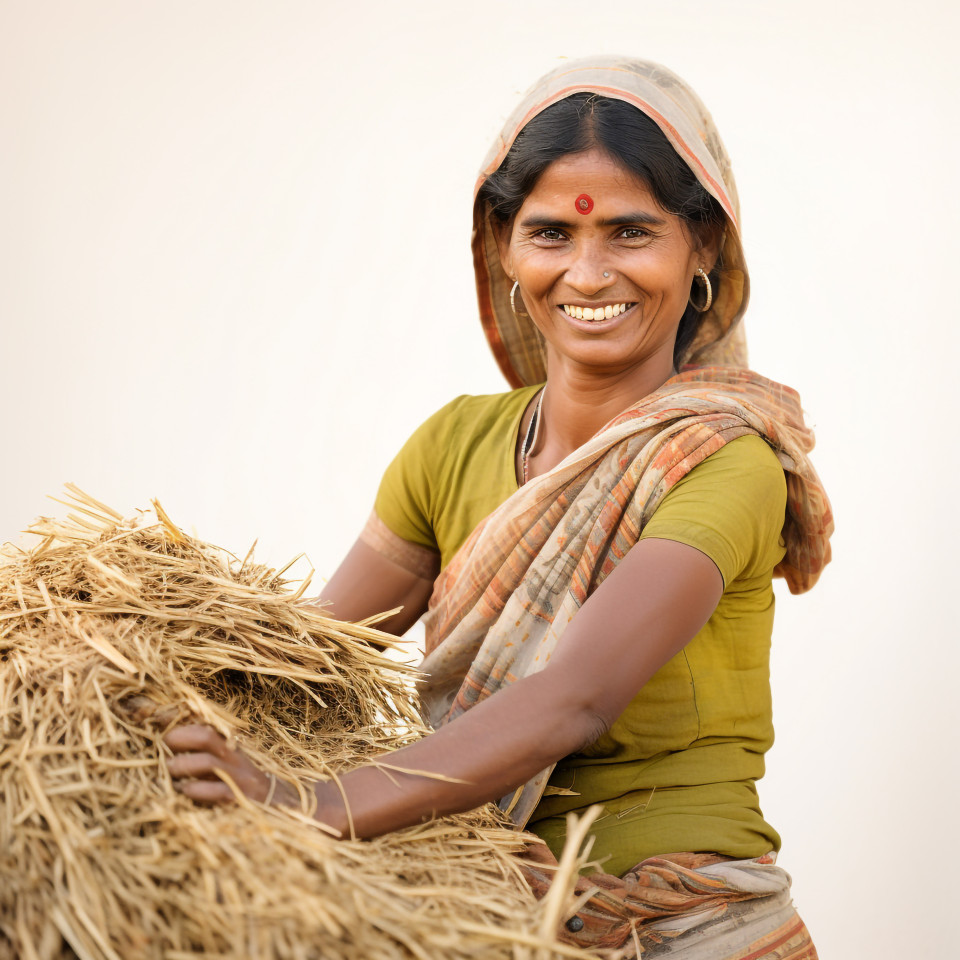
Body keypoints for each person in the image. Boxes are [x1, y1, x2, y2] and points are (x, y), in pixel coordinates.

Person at [166, 56, 833, 957]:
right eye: (551, 234)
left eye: (632, 232)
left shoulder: (723, 458)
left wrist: (312, 806)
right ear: (504, 248)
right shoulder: (453, 446)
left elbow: (576, 696)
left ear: (702, 245)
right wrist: (151, 693)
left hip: (686, 923)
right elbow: (315, 663)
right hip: (484, 916)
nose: (589, 275)